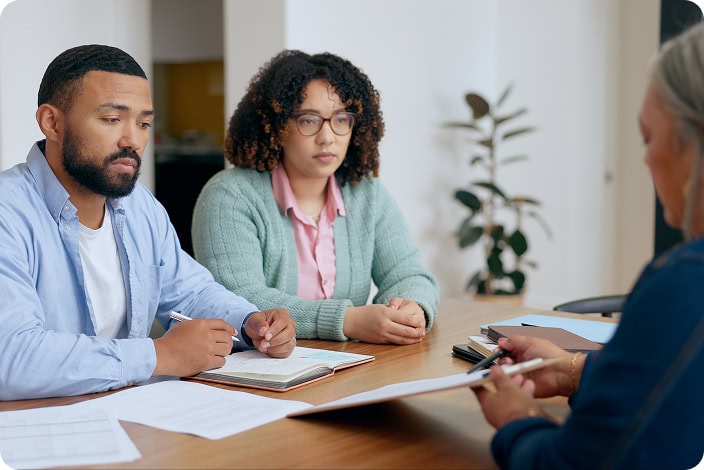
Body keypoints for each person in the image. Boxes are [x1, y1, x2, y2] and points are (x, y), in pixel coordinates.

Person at [0, 44, 296, 401]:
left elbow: (191, 292)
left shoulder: (139, 205)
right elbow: (11, 359)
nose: (134, 141)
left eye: (143, 123)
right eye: (112, 120)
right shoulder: (8, 211)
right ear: (52, 122)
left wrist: (251, 324)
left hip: (129, 417)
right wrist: (159, 355)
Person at [471, 23, 704, 470]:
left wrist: (519, 421)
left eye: (648, 137)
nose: (646, 158)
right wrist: (573, 371)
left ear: (691, 142)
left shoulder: (685, 282)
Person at [191, 50, 439, 344]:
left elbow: (409, 274)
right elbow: (240, 297)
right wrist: (347, 321)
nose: (328, 137)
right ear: (276, 126)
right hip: (254, 376)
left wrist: (412, 308)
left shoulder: (367, 193)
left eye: (341, 119)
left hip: (349, 370)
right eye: (309, 121)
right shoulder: (229, 195)